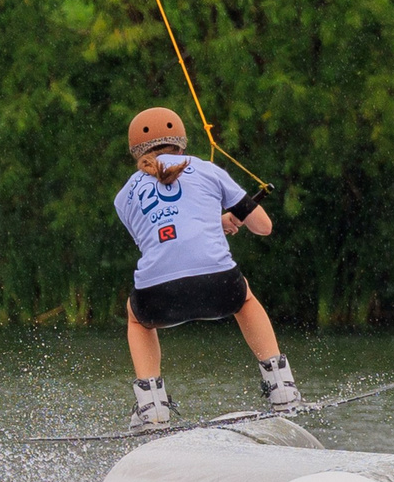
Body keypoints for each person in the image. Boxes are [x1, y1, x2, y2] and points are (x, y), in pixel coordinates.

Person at [113, 106, 298, 426]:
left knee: (136, 318)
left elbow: (162, 239)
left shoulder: (124, 195)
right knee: (245, 299)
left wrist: (216, 221)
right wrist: (228, 217)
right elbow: (264, 226)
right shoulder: (208, 170)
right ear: (181, 142)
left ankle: (152, 405)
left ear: (136, 151)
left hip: (158, 295)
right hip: (218, 287)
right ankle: (280, 384)